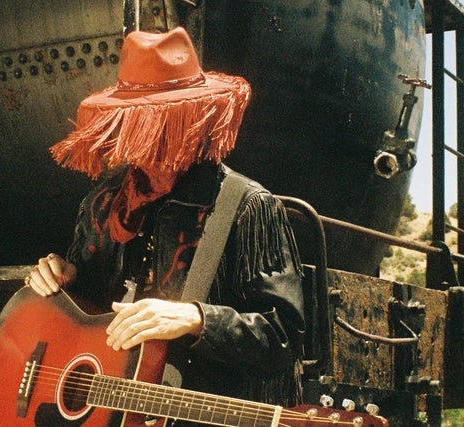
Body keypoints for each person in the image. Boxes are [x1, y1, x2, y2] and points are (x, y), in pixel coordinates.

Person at [26, 26, 306, 418]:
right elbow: (81, 316)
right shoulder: (103, 201)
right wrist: (62, 278)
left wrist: (197, 318)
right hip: (110, 413)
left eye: (166, 121)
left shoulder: (248, 206)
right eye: (141, 121)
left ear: (195, 118)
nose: (152, 139)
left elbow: (283, 337)